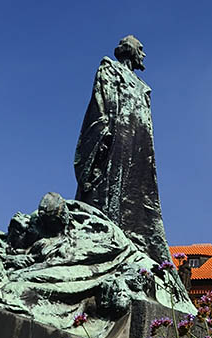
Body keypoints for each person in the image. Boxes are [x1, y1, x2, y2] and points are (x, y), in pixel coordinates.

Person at [75, 35, 170, 265]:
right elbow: (100, 109)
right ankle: (107, 248)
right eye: (141, 49)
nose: (144, 55)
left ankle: (136, 250)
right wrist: (101, 140)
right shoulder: (110, 70)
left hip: (139, 147)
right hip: (116, 139)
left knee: (139, 200)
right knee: (107, 192)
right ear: (130, 50)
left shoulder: (143, 88)